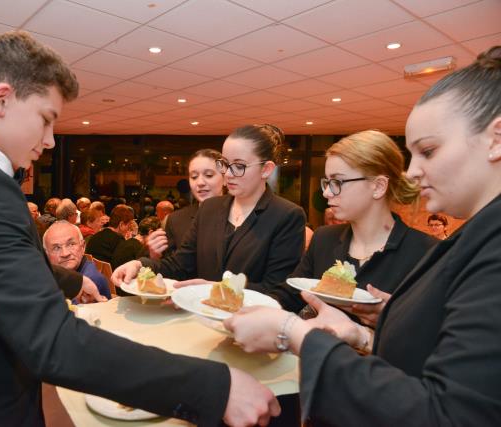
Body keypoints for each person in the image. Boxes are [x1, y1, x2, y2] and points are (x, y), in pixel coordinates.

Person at [0, 31, 278, 427]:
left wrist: (70, 282)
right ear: (2, 100)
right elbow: (54, 342)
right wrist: (214, 389)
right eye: (46, 119)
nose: (49, 141)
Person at [225, 46, 501, 426]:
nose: (414, 171)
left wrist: (296, 333)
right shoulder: (474, 237)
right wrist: (374, 324)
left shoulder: (478, 249)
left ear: (496, 138)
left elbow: (448, 413)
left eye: (429, 151)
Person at [113, 124, 306, 296]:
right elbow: (179, 265)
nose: (228, 174)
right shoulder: (210, 209)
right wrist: (141, 265)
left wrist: (215, 289)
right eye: (224, 164)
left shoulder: (286, 216)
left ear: (266, 169)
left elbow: (279, 291)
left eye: (238, 166)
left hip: (250, 327)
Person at [272, 130, 437, 326]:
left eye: (337, 182)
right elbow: (290, 295)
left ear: (378, 186)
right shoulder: (324, 239)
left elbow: (428, 330)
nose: (326, 193)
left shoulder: (426, 253)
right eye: (326, 182)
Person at [148, 148, 225, 258]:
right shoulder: (176, 220)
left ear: (225, 178)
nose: (200, 182)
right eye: (194, 177)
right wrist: (155, 255)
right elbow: (170, 267)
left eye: (208, 175)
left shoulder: (239, 215)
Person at [43, 220, 111, 300]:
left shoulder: (91, 280)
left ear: (82, 247)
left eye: (71, 244)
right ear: (46, 254)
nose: (65, 254)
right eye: (56, 248)